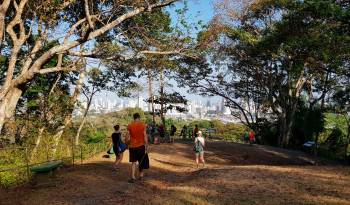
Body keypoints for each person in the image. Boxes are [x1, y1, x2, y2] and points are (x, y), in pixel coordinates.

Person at [126, 113, 149, 183]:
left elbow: (127, 136)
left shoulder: (129, 126)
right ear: (139, 118)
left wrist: (127, 144)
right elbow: (145, 136)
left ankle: (133, 176)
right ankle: (141, 176)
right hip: (141, 146)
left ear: (134, 118)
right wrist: (146, 145)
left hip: (132, 146)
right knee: (141, 161)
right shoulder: (143, 125)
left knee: (133, 162)